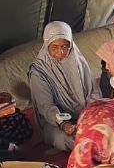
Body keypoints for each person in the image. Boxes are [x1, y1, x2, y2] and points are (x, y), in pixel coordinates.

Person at [28, 21, 98, 151]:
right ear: (46, 45)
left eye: (65, 47)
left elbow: (93, 92)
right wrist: (64, 124)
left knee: (108, 122)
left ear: (70, 45)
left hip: (85, 116)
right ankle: (95, 147)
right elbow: (46, 106)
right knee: (62, 139)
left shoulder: (79, 62)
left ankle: (94, 144)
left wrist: (88, 117)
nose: (60, 52)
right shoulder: (39, 72)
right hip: (56, 122)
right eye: (54, 47)